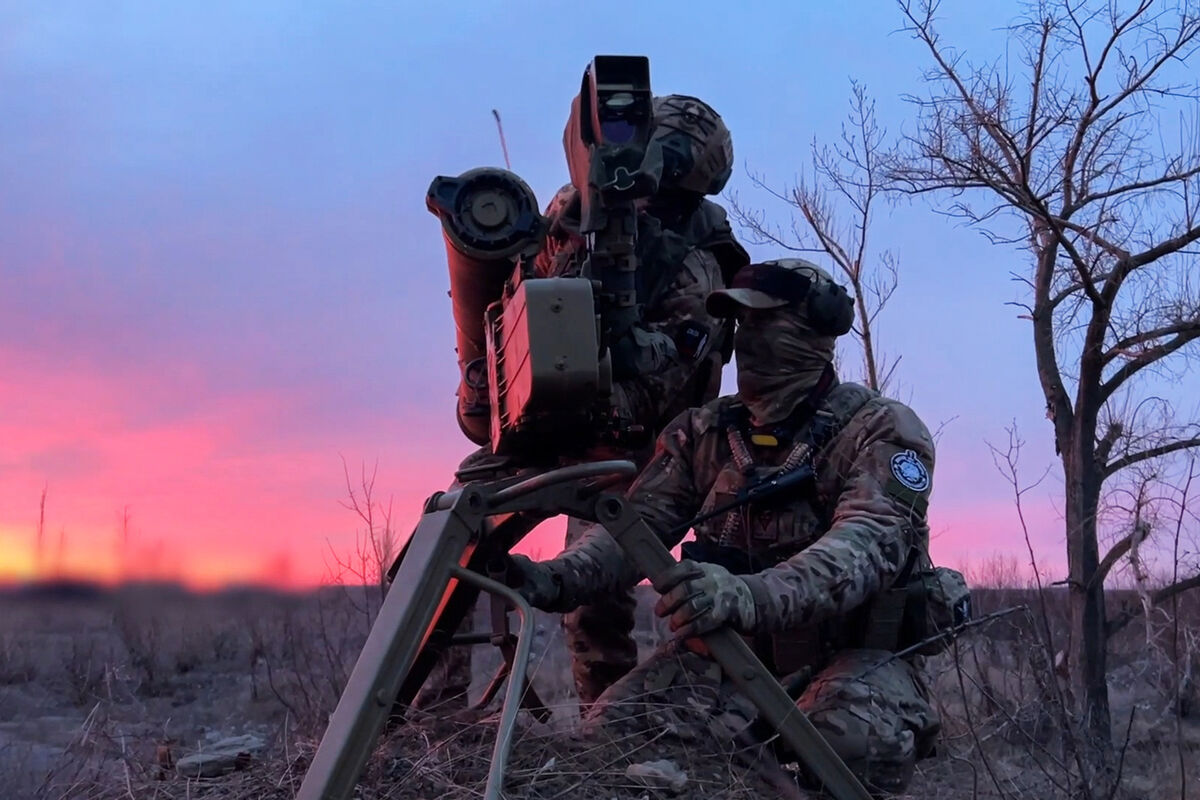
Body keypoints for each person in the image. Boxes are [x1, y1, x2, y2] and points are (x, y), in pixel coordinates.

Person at [508, 258, 944, 795]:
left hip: (849, 657)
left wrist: (746, 594)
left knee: (849, 739)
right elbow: (636, 530)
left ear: (815, 329)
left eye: (764, 323)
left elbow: (864, 547)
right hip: (733, 657)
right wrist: (552, 579)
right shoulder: (704, 429)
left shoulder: (881, 429)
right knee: (614, 738)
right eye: (740, 325)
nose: (746, 341)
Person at [413, 93, 750, 712]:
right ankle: (426, 716)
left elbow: (664, 378)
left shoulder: (698, 268)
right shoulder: (576, 214)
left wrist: (606, 349)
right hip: (547, 426)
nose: (642, 197)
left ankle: (607, 737)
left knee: (596, 603)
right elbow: (519, 300)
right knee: (440, 549)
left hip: (635, 446)